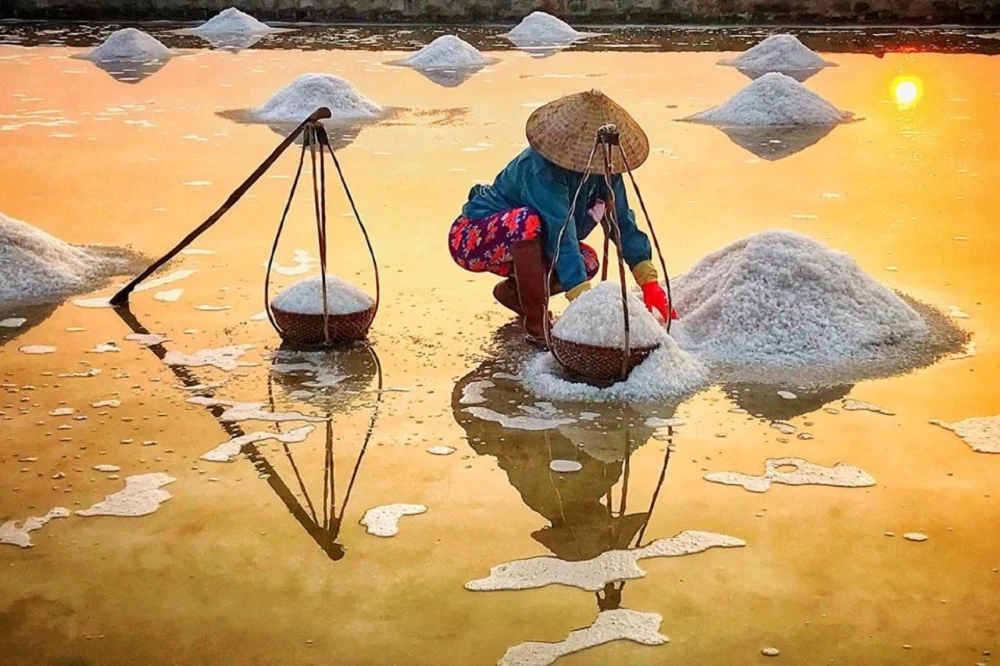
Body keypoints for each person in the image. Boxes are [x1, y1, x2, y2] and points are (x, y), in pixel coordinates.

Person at [448, 89, 673, 346]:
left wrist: (648, 281)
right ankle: (536, 322)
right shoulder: (540, 169)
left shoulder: (606, 170)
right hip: (474, 237)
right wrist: (584, 304)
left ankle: (515, 294)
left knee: (587, 261)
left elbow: (621, 222)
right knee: (527, 222)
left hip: (534, 244)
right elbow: (560, 231)